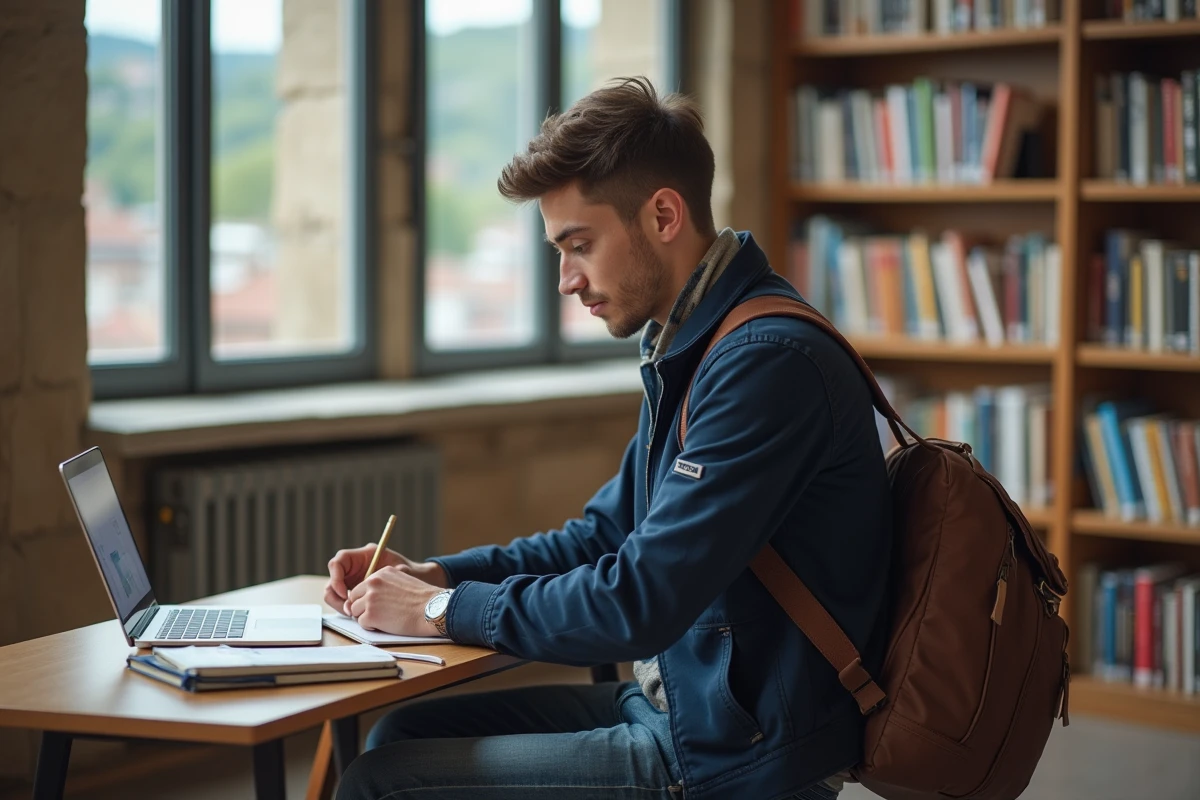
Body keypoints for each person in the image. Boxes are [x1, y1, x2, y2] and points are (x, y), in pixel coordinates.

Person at [328, 76, 893, 800]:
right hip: (680, 705)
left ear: (663, 215)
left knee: (380, 783)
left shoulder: (764, 363)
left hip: (739, 754)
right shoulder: (692, 345)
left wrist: (439, 614)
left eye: (580, 245)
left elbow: (640, 601)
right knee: (401, 735)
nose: (566, 280)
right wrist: (440, 577)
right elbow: (603, 537)